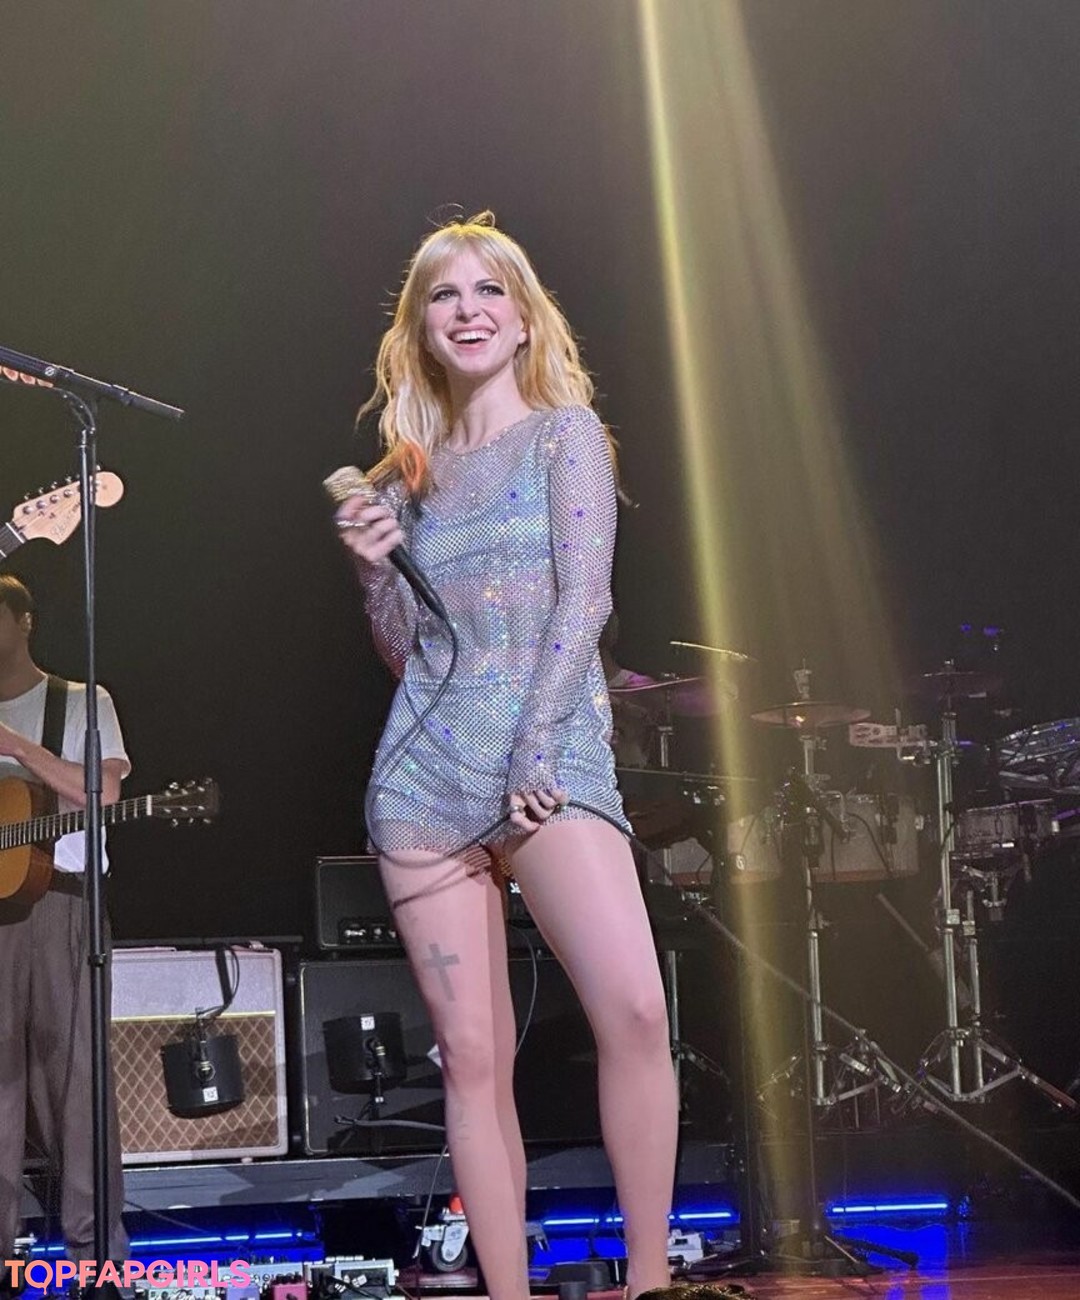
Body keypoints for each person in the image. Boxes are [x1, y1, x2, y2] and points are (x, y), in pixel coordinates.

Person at [336, 213, 677, 1300]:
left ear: (525, 319)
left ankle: (652, 1281)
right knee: (475, 1063)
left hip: (548, 758)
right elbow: (410, 655)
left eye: (490, 290)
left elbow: (587, 598)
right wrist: (375, 571)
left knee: (635, 1011)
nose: (469, 309)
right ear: (421, 327)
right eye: (445, 294)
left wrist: (537, 743)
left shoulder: (565, 436)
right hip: (426, 784)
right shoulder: (404, 480)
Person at [0, 575, 130, 1279]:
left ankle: (96, 1266)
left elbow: (102, 793)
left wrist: (18, 747)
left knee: (75, 1088)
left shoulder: (80, 701)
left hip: (61, 905)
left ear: (24, 621)